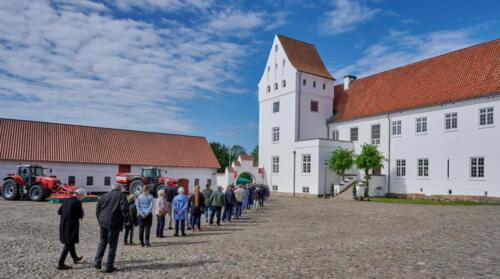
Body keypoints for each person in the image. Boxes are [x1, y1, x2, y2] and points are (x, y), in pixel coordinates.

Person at [95, 184, 129, 273]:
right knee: (112, 245)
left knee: (102, 242)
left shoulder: (104, 195)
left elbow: (98, 209)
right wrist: (127, 221)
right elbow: (125, 210)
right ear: (119, 189)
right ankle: (109, 266)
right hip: (113, 223)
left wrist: (99, 219)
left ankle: (97, 261)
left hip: (102, 221)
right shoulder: (122, 196)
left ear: (112, 188)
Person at [57, 188, 86, 270]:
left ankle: (75, 258)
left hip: (63, 224)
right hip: (71, 225)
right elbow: (80, 215)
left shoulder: (66, 200)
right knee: (68, 244)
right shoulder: (77, 202)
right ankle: (60, 263)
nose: (82, 198)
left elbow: (59, 212)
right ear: (79, 195)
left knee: (70, 242)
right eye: (82, 196)